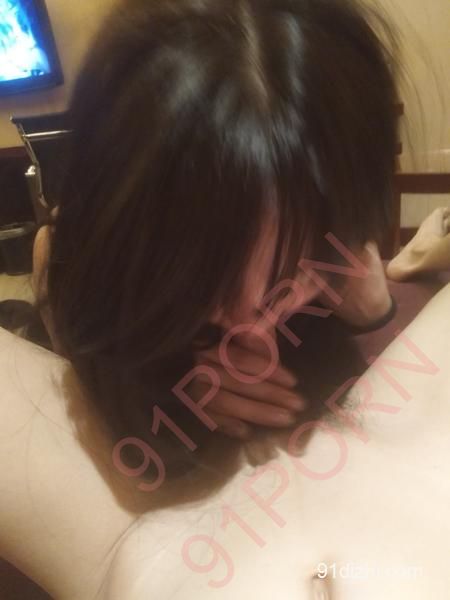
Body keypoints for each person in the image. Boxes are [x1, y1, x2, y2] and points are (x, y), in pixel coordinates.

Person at [4, 0, 449, 598]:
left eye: (287, 272)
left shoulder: (346, 250)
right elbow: (89, 360)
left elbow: (374, 337)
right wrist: (172, 382)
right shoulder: (75, 258)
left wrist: (371, 308)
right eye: (203, 280)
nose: (248, 320)